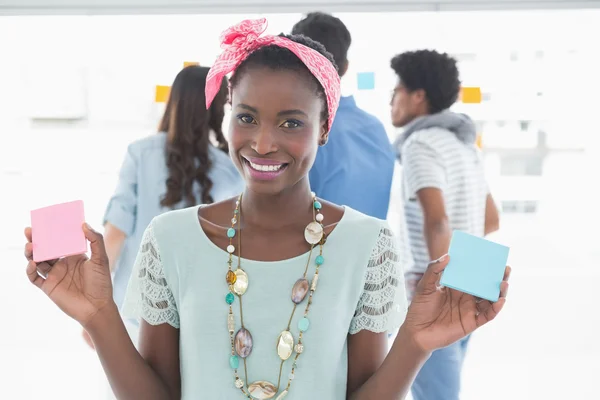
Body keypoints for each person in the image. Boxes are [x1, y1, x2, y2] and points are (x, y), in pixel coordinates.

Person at [24, 19, 509, 400]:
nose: (262, 142)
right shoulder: (169, 238)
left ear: (323, 128)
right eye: (247, 117)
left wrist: (416, 343)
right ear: (227, 114)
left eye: (291, 122)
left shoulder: (368, 243)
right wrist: (99, 316)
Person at [83, 65, 245, 350]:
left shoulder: (140, 154)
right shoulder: (231, 172)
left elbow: (115, 234)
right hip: (200, 316)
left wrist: (95, 311)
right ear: (219, 110)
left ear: (174, 102)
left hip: (136, 311)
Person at [389, 50, 501, 400]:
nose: (391, 99)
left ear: (418, 96)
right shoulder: (464, 144)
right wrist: (465, 276)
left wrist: (441, 290)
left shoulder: (420, 143)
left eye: (397, 90)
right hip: (478, 272)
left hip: (440, 285)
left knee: (437, 394)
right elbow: (491, 219)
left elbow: (437, 222)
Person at [291, 12, 395, 220]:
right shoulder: (376, 128)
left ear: (293, 61)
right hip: (374, 250)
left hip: (315, 250)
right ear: (345, 67)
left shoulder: (299, 130)